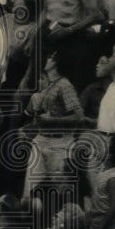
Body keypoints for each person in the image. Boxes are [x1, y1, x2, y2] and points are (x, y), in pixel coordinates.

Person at [21, 51, 86, 205]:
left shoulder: (65, 85)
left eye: (50, 57)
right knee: (29, 192)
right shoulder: (49, 85)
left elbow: (79, 117)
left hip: (59, 143)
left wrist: (52, 119)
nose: (47, 59)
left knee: (60, 192)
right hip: (41, 139)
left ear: (56, 63)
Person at [39, 0, 101, 92]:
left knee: (70, 84)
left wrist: (68, 31)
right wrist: (36, 32)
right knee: (44, 80)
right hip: (49, 32)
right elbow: (45, 9)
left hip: (71, 35)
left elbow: (95, 15)